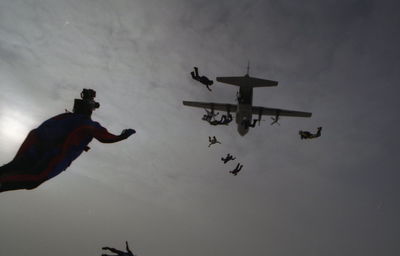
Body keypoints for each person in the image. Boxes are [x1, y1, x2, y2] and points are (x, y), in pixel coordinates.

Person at [0, 89, 135, 193]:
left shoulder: (65, 117)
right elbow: (105, 137)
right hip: (52, 155)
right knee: (34, 178)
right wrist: (121, 137)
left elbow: (41, 131)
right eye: (92, 106)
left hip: (34, 146)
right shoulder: (86, 123)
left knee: (16, 167)